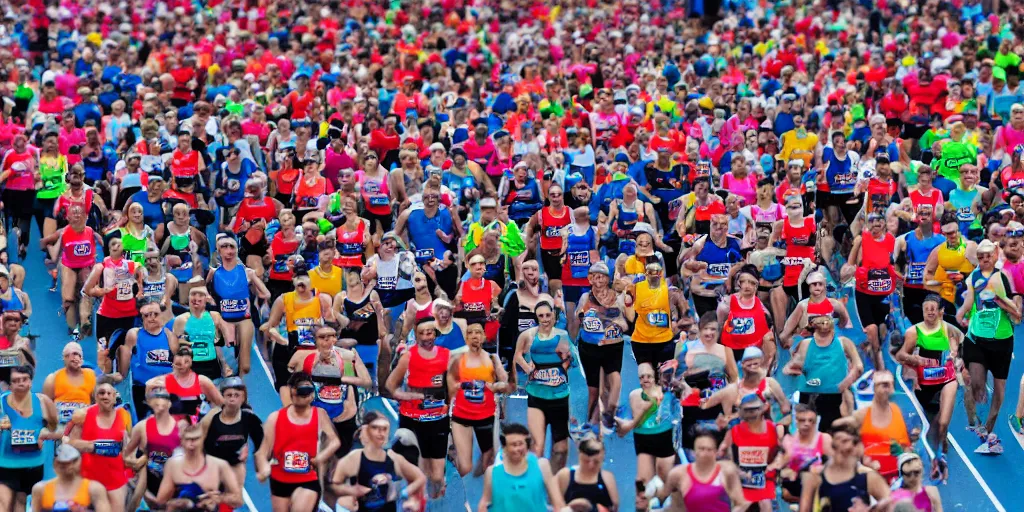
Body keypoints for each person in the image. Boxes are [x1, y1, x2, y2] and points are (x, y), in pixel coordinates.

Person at [955, 239, 1020, 453]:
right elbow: (969, 301)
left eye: (988, 256)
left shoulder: (1002, 277)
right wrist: (961, 313)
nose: (984, 260)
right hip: (977, 338)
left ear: (994, 256)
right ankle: (979, 423)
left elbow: (1014, 310)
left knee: (999, 390)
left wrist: (1005, 304)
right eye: (980, 257)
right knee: (976, 382)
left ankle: (988, 431)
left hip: (1001, 340)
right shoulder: (973, 277)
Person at [897, 294, 962, 481]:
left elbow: (965, 347)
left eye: (934, 308)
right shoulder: (914, 332)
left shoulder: (950, 330)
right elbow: (902, 355)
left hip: (947, 380)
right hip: (925, 382)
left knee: (942, 421)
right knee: (930, 419)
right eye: (927, 308)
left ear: (941, 311)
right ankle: (939, 438)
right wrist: (915, 359)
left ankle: (942, 442)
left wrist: (957, 357)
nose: (931, 311)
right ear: (923, 311)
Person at [385, 317, 452, 498]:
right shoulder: (409, 356)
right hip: (412, 421)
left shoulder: (446, 356)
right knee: (418, 474)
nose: (425, 337)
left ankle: (438, 484)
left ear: (436, 333)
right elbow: (391, 386)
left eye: (429, 332)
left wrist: (450, 409)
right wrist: (408, 396)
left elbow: (453, 388)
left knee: (436, 476)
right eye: (421, 333)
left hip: (438, 421)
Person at [255, 372, 342, 512]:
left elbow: (335, 441)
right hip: (280, 478)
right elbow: (262, 452)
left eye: (308, 392)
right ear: (293, 392)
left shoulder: (319, 414)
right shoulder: (275, 418)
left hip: (308, 477)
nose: (305, 396)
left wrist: (321, 457)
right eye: (301, 392)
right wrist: (264, 468)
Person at [286, 324, 371, 458]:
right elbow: (293, 383)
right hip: (316, 411)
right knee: (316, 455)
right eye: (323, 337)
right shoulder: (304, 356)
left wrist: (342, 379)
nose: (327, 340)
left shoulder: (348, 356)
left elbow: (367, 382)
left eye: (331, 336)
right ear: (315, 340)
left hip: (344, 412)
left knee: (340, 455)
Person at [513, 301, 573, 474]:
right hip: (536, 395)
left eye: (548, 315)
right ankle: (534, 483)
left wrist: (563, 366)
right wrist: (527, 368)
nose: (545, 319)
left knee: (560, 449)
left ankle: (552, 481)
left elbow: (572, 359)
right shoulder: (527, 335)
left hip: (560, 396)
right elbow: (517, 355)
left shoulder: (562, 335)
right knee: (537, 448)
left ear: (553, 315)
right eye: (541, 316)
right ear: (536, 317)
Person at [330, 410, 427, 512]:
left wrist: (402, 493)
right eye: (376, 428)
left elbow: (420, 478)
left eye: (384, 429)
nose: (381, 433)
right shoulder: (355, 456)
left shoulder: (392, 456)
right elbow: (335, 486)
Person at [448, 321, 509, 477]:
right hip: (461, 415)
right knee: (465, 466)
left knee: (489, 460)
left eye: (478, 332)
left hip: (486, 415)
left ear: (484, 336)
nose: (474, 335)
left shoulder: (492, 358)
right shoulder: (457, 357)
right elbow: (447, 382)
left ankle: (484, 494)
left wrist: (495, 386)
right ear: (466, 337)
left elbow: (504, 381)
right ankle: (458, 492)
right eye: (470, 333)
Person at [262, 264, 333, 395]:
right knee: (286, 388)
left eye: (304, 277)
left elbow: (332, 325)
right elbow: (270, 327)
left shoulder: (322, 299)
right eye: (297, 277)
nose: (301, 281)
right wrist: (280, 340)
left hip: (314, 349)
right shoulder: (283, 299)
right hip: (287, 347)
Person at [784, 313, 861, 434]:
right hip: (815, 396)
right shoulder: (807, 344)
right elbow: (792, 367)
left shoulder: (842, 342)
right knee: (817, 435)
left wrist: (845, 384)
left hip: (831, 396)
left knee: (835, 434)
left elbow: (858, 367)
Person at [67, 379, 137, 512]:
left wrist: (130, 465)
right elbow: (71, 443)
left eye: (109, 393)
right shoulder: (84, 416)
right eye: (101, 393)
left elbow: (129, 446)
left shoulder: (124, 415)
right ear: (96, 397)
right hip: (88, 478)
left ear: (114, 397)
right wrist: (93, 446)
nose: (105, 396)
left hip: (115, 479)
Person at [207, 233, 271, 377]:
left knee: (245, 365)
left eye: (232, 247)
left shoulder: (247, 272)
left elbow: (266, 293)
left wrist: (257, 296)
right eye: (224, 247)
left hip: (244, 319)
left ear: (236, 249)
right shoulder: (214, 273)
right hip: (223, 320)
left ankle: (241, 391)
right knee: (225, 364)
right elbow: (203, 290)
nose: (229, 250)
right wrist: (210, 300)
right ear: (218, 251)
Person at [833, 370, 916, 481]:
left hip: (898, 476)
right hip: (872, 477)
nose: (888, 389)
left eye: (890, 385)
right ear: (875, 388)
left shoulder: (898, 410)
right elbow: (837, 426)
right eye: (884, 385)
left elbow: (906, 445)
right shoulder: (862, 415)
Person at [0, 365, 62, 512]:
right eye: (16, 380)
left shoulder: (43, 402)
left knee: (20, 505)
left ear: (31, 382)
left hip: (33, 465)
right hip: (6, 464)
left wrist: (45, 434)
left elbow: (59, 431)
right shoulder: (1, 403)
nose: (21, 383)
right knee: (3, 505)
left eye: (25, 379)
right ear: (10, 384)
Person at [576, 261, 628, 433]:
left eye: (602, 275)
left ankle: (609, 412)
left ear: (608, 278)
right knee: (594, 388)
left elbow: (626, 324)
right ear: (590, 278)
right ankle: (591, 421)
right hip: (589, 346)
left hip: (612, 346)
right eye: (594, 275)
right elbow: (579, 317)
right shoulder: (585, 297)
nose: (597, 279)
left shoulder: (617, 297)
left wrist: (611, 322)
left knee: (612, 380)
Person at [477, 423, 571, 512]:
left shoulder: (542, 466)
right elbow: (484, 503)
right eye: (514, 445)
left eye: (521, 444)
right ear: (504, 448)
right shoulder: (492, 472)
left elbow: (558, 502)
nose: (517, 449)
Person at [799, 424, 892, 512]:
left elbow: (893, 503)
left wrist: (873, 509)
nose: (843, 448)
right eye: (837, 444)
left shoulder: (867, 476)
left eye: (846, 442)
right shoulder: (816, 477)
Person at [849, 211, 900, 370]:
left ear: (884, 224)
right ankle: (879, 369)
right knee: (871, 330)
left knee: (882, 332)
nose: (876, 224)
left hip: (884, 295)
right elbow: (850, 265)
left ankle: (876, 355)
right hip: (864, 294)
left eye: (879, 221)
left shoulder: (891, 240)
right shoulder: (861, 240)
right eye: (872, 221)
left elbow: (894, 267)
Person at [614, 363, 678, 486]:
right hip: (643, 439)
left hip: (664, 438)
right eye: (642, 377)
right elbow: (638, 422)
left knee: (665, 477)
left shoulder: (666, 394)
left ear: (655, 378)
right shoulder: (634, 395)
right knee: (645, 483)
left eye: (649, 376)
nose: (645, 380)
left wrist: (627, 426)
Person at [155, 423, 243, 511]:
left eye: (195, 439)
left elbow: (238, 500)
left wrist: (219, 498)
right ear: (182, 441)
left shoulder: (220, 465)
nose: (191, 444)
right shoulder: (173, 464)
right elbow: (161, 501)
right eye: (188, 439)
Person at [124, 387, 187, 507]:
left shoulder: (181, 427)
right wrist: (138, 462)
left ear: (169, 403)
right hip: (147, 482)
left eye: (163, 399)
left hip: (174, 484)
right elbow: (127, 457)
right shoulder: (141, 427)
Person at [658, 428, 749, 512]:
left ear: (715, 452)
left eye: (709, 449)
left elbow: (741, 503)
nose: (705, 453)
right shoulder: (678, 474)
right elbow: (662, 497)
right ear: (693, 452)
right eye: (701, 449)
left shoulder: (726, 471)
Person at [718, 394, 783, 512]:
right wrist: (735, 471)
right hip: (740, 479)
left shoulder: (773, 429)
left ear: (763, 408)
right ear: (741, 411)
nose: (752, 413)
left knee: (765, 504)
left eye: (755, 409)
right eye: (748, 410)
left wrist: (774, 466)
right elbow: (721, 455)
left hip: (765, 480)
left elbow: (783, 453)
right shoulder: (734, 430)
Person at [200, 377, 264, 495]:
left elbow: (259, 439)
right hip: (215, 462)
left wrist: (260, 461)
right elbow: (200, 439)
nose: (233, 399)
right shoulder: (212, 416)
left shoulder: (249, 415)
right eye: (229, 395)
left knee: (233, 495)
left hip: (235, 462)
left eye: (237, 395)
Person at [118, 298, 177, 419]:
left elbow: (178, 364)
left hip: (165, 388)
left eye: (155, 314)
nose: (152, 318)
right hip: (142, 389)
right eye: (147, 315)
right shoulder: (134, 334)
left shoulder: (168, 334)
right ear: (142, 317)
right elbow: (123, 370)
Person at [172, 286, 237, 381]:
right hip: (191, 364)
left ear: (206, 299)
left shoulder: (214, 316)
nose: (196, 298)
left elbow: (228, 338)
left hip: (212, 364)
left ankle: (224, 366)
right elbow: (176, 348)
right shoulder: (181, 319)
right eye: (193, 294)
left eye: (200, 295)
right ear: (189, 298)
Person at [895, 204, 945, 325]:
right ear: (917, 216)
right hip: (911, 288)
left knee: (932, 321)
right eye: (921, 214)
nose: (924, 217)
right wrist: (900, 279)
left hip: (932, 287)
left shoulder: (942, 240)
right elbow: (895, 265)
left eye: (927, 214)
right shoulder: (904, 239)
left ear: (932, 217)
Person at [144, 347, 224, 420]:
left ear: (191, 362)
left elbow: (221, 404)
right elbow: (152, 409)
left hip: (195, 428)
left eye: (186, 362)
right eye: (178, 363)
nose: (182, 366)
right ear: (173, 363)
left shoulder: (202, 381)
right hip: (169, 428)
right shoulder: (157, 382)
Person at [30, 444, 112, 512]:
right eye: (64, 463)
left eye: (73, 461)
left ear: (79, 461)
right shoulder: (40, 489)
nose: (69, 466)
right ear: (56, 463)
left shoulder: (94, 488)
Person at [778, 404, 832, 504]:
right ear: (796, 421)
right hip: (794, 485)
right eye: (802, 420)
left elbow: (835, 466)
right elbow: (779, 467)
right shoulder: (788, 439)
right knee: (785, 492)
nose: (807, 424)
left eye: (811, 420)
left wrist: (820, 470)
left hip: (817, 483)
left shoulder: (824, 438)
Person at [626, 262, 675, 369]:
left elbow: (677, 309)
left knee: (663, 377)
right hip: (641, 341)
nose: (654, 276)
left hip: (664, 340)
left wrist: (675, 321)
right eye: (651, 273)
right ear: (646, 274)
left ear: (661, 274)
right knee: (647, 375)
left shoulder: (668, 288)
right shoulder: (636, 288)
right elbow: (629, 310)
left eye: (656, 273)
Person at [555, 436, 619, 512]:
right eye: (586, 461)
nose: (590, 466)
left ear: (602, 458)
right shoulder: (565, 476)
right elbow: (556, 505)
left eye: (596, 462)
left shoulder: (607, 478)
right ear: (579, 455)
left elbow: (614, 508)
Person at [42, 341, 96, 427]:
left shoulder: (92, 376)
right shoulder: (52, 378)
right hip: (60, 426)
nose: (76, 358)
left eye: (78, 355)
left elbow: (97, 405)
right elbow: (45, 409)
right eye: (71, 355)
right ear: (64, 358)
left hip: (84, 424)